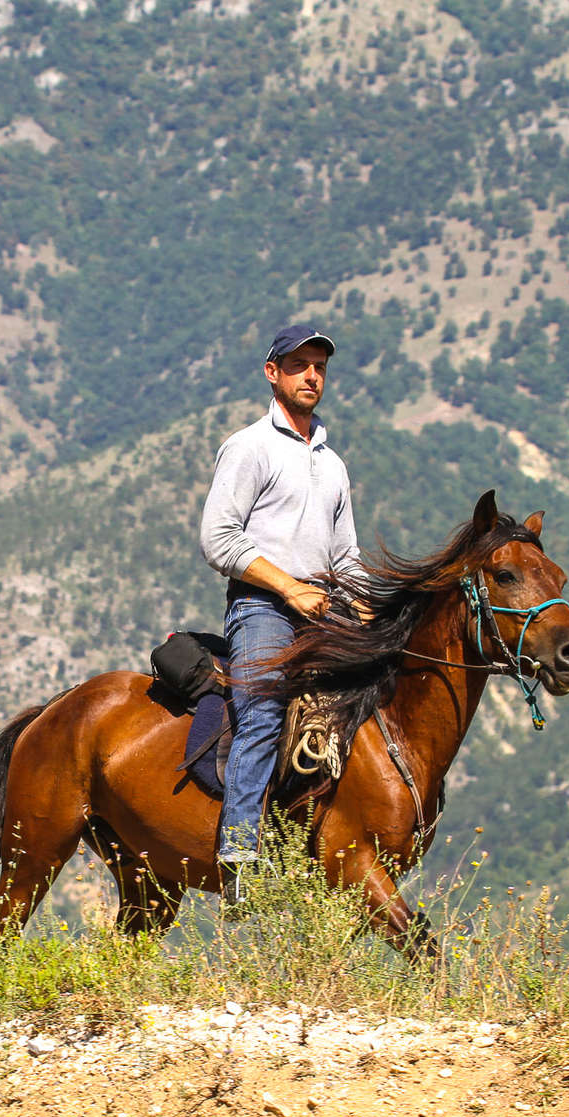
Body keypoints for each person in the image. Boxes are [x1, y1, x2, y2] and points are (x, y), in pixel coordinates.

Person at [199, 325, 361, 908]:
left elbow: (346, 555)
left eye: (319, 366)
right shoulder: (250, 447)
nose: (311, 375)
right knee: (264, 707)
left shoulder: (333, 464)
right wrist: (289, 588)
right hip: (262, 607)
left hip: (324, 608)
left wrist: (364, 602)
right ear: (273, 373)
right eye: (299, 365)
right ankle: (240, 856)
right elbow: (218, 539)